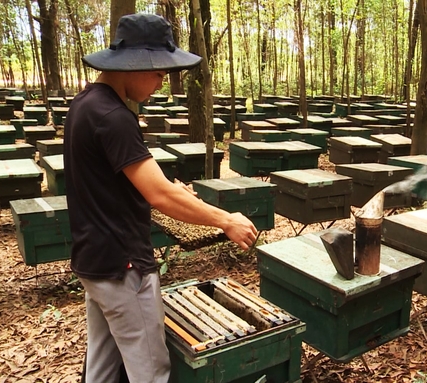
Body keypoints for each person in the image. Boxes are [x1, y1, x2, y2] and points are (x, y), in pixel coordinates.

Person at [63, 13, 258, 383]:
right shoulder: (113, 116)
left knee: (102, 367)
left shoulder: (85, 103)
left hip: (94, 262)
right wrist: (226, 219)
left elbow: (114, 181)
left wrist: (172, 191)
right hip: (124, 269)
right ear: (136, 63)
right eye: (158, 74)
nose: (161, 84)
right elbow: (158, 194)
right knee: (150, 371)